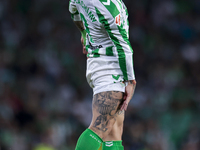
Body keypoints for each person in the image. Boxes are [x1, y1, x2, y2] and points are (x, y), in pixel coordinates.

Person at [69, 0, 136, 149]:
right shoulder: (110, 7)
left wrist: (84, 33)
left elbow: (73, 8)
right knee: (101, 126)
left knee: (114, 132)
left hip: (99, 64)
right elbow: (123, 46)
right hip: (110, 68)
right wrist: (130, 81)